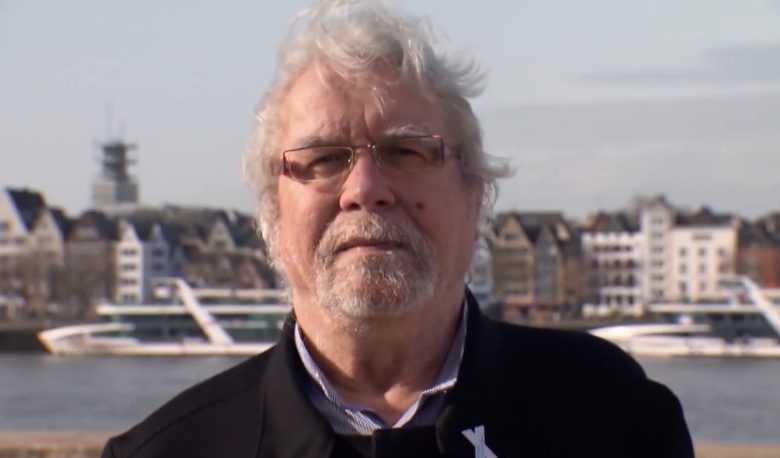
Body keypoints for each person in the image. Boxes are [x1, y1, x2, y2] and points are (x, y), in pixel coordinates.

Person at [102, 1, 693, 457]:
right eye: (323, 159)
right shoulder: (171, 451)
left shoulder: (616, 419)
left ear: (475, 196)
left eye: (407, 151)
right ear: (271, 216)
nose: (365, 189)